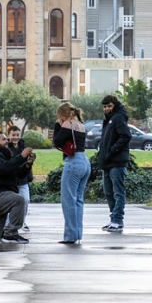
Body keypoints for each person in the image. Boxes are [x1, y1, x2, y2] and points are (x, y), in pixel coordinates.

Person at [53, 102, 90, 244]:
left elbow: (56, 142)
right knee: (78, 200)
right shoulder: (80, 124)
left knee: (68, 200)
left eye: (59, 117)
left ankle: (70, 235)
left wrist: (58, 125)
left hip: (73, 162)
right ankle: (77, 233)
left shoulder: (68, 124)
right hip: (84, 161)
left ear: (62, 115)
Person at [99, 94, 132, 233]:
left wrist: (112, 150)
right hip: (108, 162)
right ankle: (114, 219)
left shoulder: (118, 118)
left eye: (109, 106)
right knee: (109, 192)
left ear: (115, 105)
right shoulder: (109, 119)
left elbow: (126, 136)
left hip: (117, 162)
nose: (106, 109)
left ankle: (117, 220)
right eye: (105, 107)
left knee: (118, 192)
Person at [5, 124, 31, 233]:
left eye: (17, 135)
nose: (15, 137)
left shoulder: (23, 147)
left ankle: (22, 221)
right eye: (13, 135)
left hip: (23, 180)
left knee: (25, 200)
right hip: (10, 181)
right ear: (8, 135)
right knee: (9, 203)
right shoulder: (5, 148)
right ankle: (7, 223)